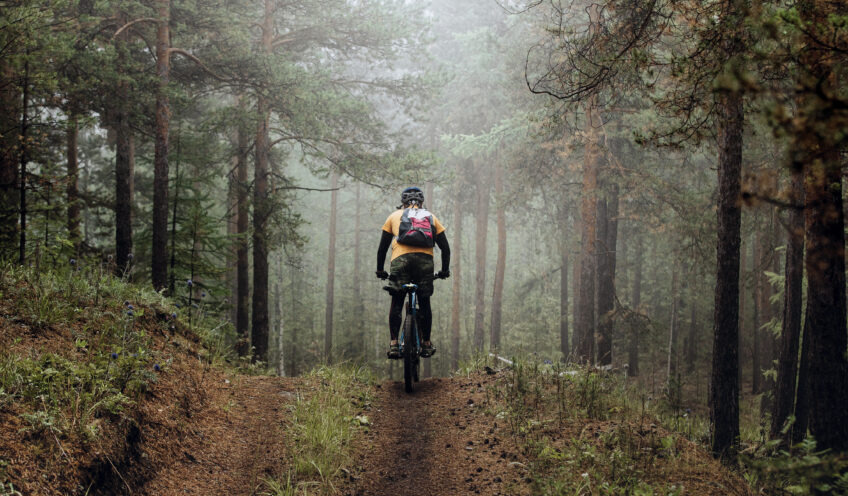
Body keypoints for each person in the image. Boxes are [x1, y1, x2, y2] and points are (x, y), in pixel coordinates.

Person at [376, 187, 450, 359]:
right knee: (424, 301)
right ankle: (426, 344)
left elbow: (382, 249)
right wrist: (444, 270)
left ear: (402, 203)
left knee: (397, 299)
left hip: (400, 261)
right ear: (422, 202)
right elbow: (445, 249)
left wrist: (380, 270)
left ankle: (394, 344)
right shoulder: (431, 216)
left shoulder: (394, 216)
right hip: (425, 262)